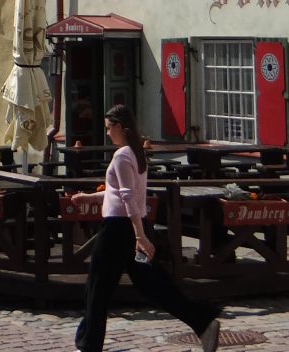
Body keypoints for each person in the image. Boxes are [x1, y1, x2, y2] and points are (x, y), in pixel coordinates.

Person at [66, 104, 221, 352]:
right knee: (152, 286)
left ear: (119, 126)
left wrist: (140, 236)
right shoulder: (136, 154)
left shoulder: (121, 156)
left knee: (97, 287)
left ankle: (88, 345)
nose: (107, 133)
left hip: (118, 229)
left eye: (108, 128)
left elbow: (128, 197)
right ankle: (202, 322)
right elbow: (121, 193)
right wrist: (88, 198)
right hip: (129, 226)